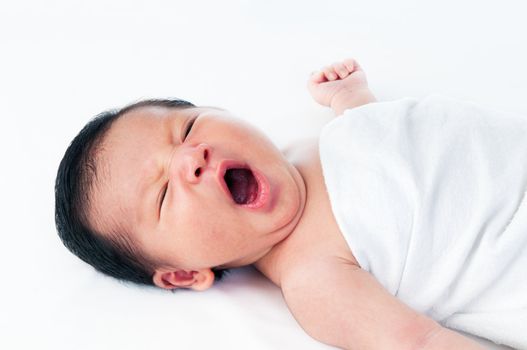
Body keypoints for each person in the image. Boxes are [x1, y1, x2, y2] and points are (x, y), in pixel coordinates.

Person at [55, 58, 527, 350]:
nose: (190, 158)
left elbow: (385, 148)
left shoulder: (319, 142)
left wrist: (350, 99)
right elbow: (415, 341)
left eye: (188, 128)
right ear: (183, 273)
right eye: (162, 194)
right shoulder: (314, 279)